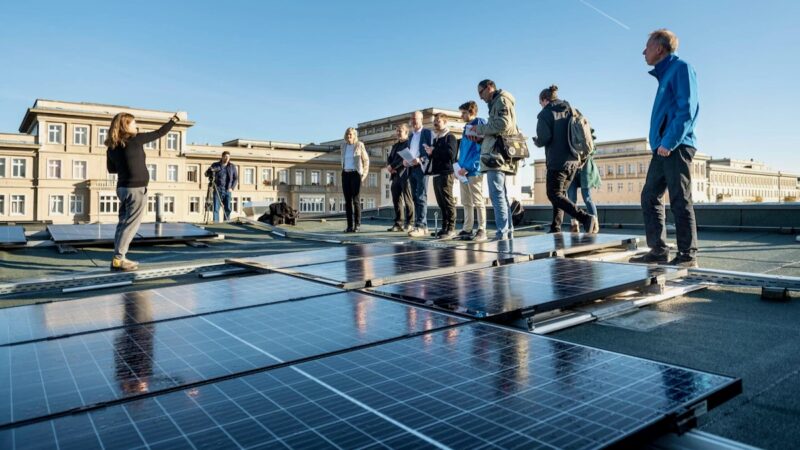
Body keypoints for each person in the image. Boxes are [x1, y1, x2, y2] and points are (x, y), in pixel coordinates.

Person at [630, 29, 700, 268]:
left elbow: (686, 110)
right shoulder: (666, 74)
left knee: (680, 199)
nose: (643, 51)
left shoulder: (681, 68)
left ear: (660, 48)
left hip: (676, 146)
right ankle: (658, 251)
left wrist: (670, 142)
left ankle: (687, 256)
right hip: (662, 147)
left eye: (647, 46)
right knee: (649, 196)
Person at [105, 111, 180, 271]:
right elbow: (160, 133)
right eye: (133, 123)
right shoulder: (135, 139)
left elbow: (111, 169)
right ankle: (119, 259)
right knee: (131, 225)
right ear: (126, 125)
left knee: (123, 224)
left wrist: (124, 162)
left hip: (122, 188)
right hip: (136, 189)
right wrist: (174, 119)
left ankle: (117, 257)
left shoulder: (111, 147)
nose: (136, 126)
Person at [533, 85, 598, 234]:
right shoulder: (571, 109)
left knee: (553, 194)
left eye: (540, 103)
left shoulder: (545, 113)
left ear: (544, 100)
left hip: (557, 161)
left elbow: (544, 138)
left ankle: (585, 218)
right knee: (560, 194)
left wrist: (537, 141)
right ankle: (556, 227)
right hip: (574, 161)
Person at [471, 79, 517, 241]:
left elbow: (504, 124)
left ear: (489, 88)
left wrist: (480, 129)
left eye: (481, 93)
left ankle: (502, 233)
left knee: (497, 195)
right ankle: (507, 232)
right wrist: (482, 138)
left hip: (496, 156)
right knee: (501, 195)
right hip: (497, 153)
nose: (481, 98)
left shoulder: (501, 101)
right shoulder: (499, 101)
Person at [456, 101, 488, 241]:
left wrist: (468, 167)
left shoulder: (479, 123)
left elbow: (480, 149)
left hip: (474, 170)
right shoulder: (466, 127)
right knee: (466, 201)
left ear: (471, 112)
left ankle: (482, 229)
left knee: (478, 201)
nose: (461, 115)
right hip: (463, 171)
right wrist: (459, 166)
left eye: (463, 113)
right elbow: (464, 150)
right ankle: (467, 229)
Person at [425, 113, 458, 239]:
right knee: (441, 202)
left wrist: (434, 151)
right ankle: (444, 228)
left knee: (448, 201)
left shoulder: (450, 137)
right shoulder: (436, 139)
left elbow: (451, 154)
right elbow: (436, 155)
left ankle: (451, 228)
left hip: (446, 173)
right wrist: (430, 152)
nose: (435, 123)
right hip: (437, 173)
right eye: (435, 121)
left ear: (445, 122)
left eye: (438, 121)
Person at [404, 111, 434, 237]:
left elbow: (431, 150)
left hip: (421, 168)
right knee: (415, 197)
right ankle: (422, 225)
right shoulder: (411, 136)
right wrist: (406, 160)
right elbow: (411, 150)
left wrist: (420, 159)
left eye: (415, 119)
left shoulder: (427, 133)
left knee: (421, 196)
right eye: (412, 119)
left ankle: (420, 226)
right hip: (411, 168)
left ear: (421, 119)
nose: (413, 121)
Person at [340, 127, 369, 233]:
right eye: (347, 134)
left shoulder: (359, 145)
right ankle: (349, 226)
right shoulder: (343, 146)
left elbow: (366, 161)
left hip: (355, 174)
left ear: (355, 135)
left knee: (356, 200)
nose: (349, 136)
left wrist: (363, 175)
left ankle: (357, 225)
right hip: (345, 174)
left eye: (351, 134)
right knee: (347, 201)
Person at [386, 123, 414, 231]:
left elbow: (403, 159)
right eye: (397, 131)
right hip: (395, 175)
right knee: (396, 199)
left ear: (406, 132)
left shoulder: (409, 144)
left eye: (400, 130)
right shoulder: (395, 145)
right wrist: (389, 166)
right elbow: (390, 158)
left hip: (405, 174)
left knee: (408, 199)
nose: (398, 133)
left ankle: (410, 222)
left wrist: (393, 166)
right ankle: (398, 223)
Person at [566, 155, 601, 232]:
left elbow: (591, 150)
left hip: (585, 168)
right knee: (571, 198)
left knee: (587, 197)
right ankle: (574, 224)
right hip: (572, 168)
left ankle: (594, 224)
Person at [205, 151, 238, 222]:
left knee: (227, 208)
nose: (227, 158)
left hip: (227, 190)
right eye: (225, 157)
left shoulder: (232, 166)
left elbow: (235, 178)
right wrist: (210, 171)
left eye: (228, 157)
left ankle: (226, 223)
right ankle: (216, 224)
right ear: (222, 157)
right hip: (217, 189)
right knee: (216, 208)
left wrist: (232, 188)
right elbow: (207, 174)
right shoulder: (215, 165)